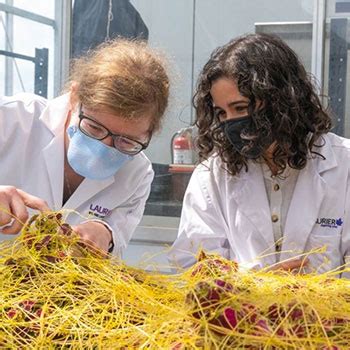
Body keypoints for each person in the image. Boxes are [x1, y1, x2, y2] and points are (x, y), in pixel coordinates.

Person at [169, 33, 350, 276]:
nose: (231, 122)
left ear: (280, 99)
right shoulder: (212, 175)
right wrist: (257, 288)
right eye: (222, 113)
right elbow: (196, 266)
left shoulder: (344, 166)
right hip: (242, 312)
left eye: (240, 108)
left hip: (327, 314)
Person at [0, 38, 169, 256]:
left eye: (125, 140)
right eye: (94, 128)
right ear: (74, 97)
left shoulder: (137, 174)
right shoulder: (11, 120)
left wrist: (105, 234)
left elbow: (115, 238)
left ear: (150, 133)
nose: (104, 148)